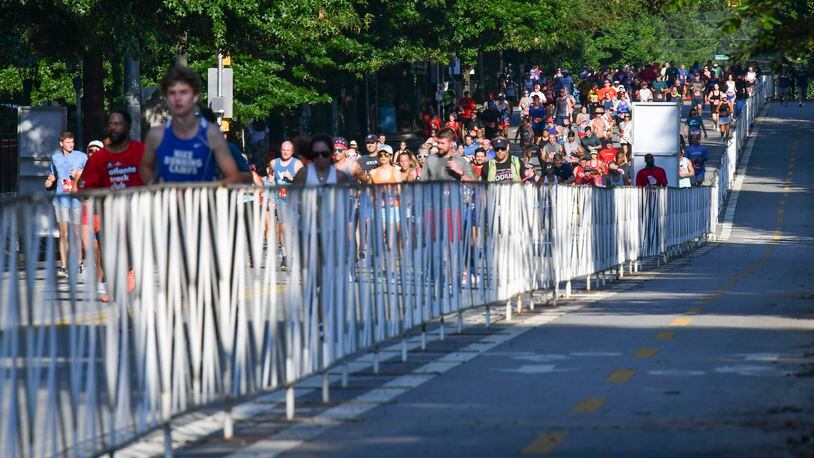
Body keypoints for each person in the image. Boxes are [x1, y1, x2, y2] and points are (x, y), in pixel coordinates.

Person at [78, 110, 145, 299]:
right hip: (104, 212)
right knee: (106, 251)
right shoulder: (98, 160)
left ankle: (129, 270)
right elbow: (83, 187)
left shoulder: (138, 152)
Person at [140, 66, 242, 184]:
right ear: (166, 98)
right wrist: (156, 185)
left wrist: (206, 191)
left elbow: (233, 177)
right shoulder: (156, 135)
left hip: (200, 201)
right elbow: (145, 167)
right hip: (169, 201)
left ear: (195, 96)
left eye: (183, 92)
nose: (177, 98)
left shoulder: (211, 134)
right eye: (172, 93)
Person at [44, 131, 88, 279]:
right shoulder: (55, 158)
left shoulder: (81, 156)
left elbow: (89, 175)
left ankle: (80, 264)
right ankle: (64, 267)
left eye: (72, 142)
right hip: (61, 199)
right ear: (61, 143)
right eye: (68, 142)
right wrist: (49, 182)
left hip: (76, 199)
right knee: (64, 234)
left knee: (76, 234)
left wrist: (79, 174)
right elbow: (53, 176)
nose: (71, 145)